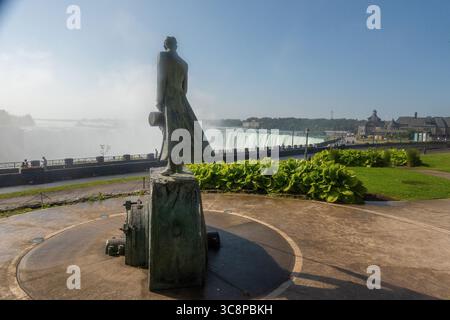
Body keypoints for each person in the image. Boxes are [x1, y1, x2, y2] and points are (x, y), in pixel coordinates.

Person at [154, 37, 210, 176]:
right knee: (182, 130)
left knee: (172, 131)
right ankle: (180, 165)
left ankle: (172, 167)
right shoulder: (184, 64)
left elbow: (161, 80)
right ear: (176, 46)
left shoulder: (163, 56)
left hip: (170, 97)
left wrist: (159, 100)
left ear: (165, 44)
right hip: (181, 99)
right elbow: (185, 88)